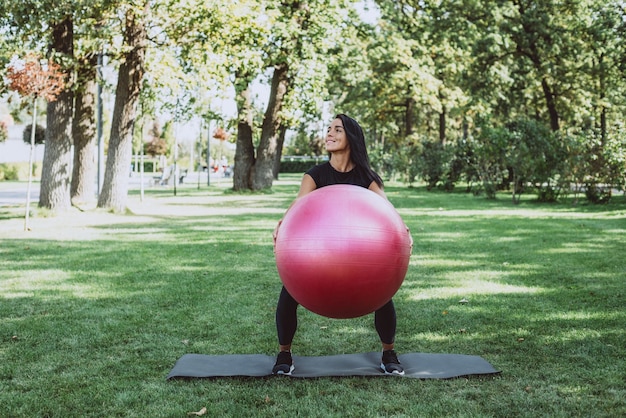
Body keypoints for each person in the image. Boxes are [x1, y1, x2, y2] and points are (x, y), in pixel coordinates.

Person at [271, 113, 405, 376]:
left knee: (383, 294)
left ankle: (389, 352)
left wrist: (404, 229)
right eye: (328, 129)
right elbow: (299, 205)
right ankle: (284, 354)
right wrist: (283, 222)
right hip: (317, 255)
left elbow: (387, 211)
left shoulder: (367, 177)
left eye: (337, 130)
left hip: (362, 254)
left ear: (351, 137)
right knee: (289, 292)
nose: (329, 133)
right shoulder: (315, 175)